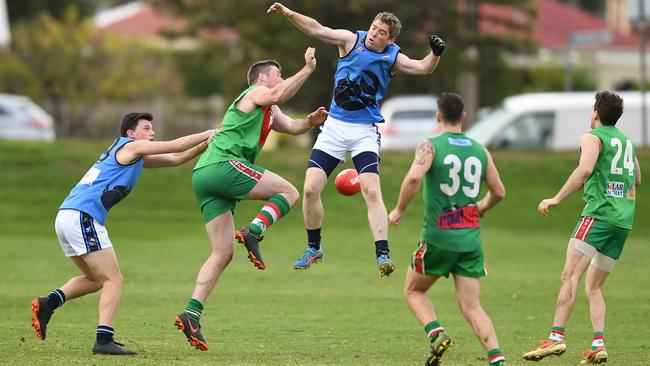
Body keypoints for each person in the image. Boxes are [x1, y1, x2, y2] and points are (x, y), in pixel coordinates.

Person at [267, 3, 446, 276]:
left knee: (371, 191)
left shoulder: (393, 57)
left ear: (391, 39)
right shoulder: (351, 41)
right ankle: (313, 248)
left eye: (381, 32)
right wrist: (288, 13)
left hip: (364, 131)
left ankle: (382, 255)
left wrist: (435, 54)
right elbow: (317, 29)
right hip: (335, 128)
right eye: (374, 27)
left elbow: (424, 68)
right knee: (311, 189)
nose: (374, 34)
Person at [174, 47, 328, 351]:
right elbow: (278, 94)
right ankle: (253, 230)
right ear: (262, 78)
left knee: (222, 253)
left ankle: (191, 313)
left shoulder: (268, 109)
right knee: (290, 192)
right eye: (277, 74)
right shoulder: (255, 92)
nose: (281, 78)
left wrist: (310, 121)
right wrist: (307, 68)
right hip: (222, 165)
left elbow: (292, 126)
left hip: (204, 175)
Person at [31, 113, 213, 355]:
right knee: (113, 280)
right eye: (147, 128)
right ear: (131, 133)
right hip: (83, 216)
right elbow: (175, 144)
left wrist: (204, 145)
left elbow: (176, 157)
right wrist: (209, 132)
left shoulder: (134, 155)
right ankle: (104, 341)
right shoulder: (130, 146)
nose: (152, 133)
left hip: (68, 215)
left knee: (96, 279)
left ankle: (48, 303)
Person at [523, 91, 641, 365]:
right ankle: (598, 344)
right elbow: (636, 178)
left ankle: (555, 337)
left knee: (569, 275)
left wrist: (556, 197)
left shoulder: (592, 137)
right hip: (622, 222)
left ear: (596, 113)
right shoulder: (627, 142)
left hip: (598, 216)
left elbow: (585, 169)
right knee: (594, 286)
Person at [388, 93, 507, 366]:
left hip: (439, 236)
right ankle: (497, 359)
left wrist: (399, 210)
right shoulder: (480, 150)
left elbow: (415, 177)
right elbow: (499, 192)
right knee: (472, 307)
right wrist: (482, 207)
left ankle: (437, 333)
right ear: (463, 117)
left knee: (413, 291)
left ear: (437, 117)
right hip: (470, 240)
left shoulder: (431, 145)